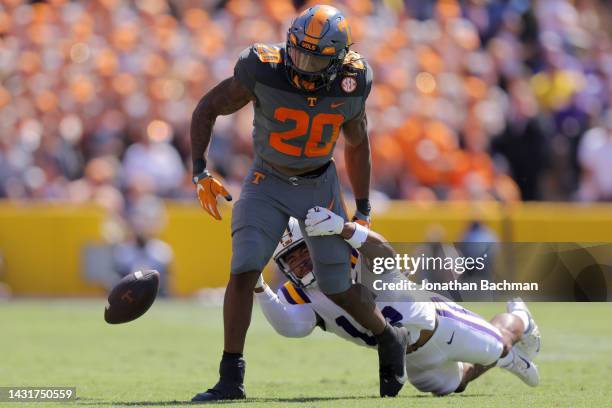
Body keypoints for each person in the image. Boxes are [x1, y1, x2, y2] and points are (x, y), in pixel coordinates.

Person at [189, 5, 410, 402]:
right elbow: (207, 107)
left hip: (318, 184)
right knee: (243, 270)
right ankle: (230, 377)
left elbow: (357, 143)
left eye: (316, 58)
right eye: (300, 53)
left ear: (339, 59)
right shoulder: (262, 67)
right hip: (266, 179)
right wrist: (199, 170)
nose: (304, 65)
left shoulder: (352, 81)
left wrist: (362, 208)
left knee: (337, 287)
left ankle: (388, 336)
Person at [255, 207, 542, 396]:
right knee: (456, 384)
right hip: (411, 357)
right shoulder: (300, 295)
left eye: (302, 252)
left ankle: (520, 318)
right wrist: (259, 288)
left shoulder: (355, 258)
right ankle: (508, 358)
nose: (301, 263)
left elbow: (386, 255)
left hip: (442, 325)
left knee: (500, 345)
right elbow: (291, 327)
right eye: (290, 259)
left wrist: (344, 228)